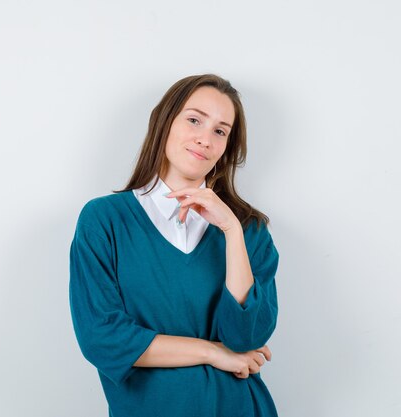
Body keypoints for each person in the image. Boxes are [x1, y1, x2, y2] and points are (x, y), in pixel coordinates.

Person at [68, 73, 280, 417]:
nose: (205, 139)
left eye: (220, 131)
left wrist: (230, 229)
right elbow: (102, 338)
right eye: (194, 119)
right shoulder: (104, 220)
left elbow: (245, 338)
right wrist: (213, 353)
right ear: (165, 122)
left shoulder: (248, 231)